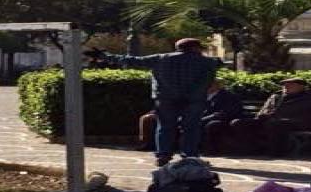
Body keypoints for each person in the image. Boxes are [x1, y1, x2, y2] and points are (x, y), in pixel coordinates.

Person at [89, 38, 220, 166]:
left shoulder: (161, 58)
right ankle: (190, 156)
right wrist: (194, 93)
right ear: (196, 48)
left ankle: (163, 156)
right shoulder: (207, 62)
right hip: (193, 99)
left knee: (165, 127)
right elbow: (206, 80)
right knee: (191, 128)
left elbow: (132, 61)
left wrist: (104, 56)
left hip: (165, 98)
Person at [229, 77, 311, 155]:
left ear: (301, 87)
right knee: (238, 123)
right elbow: (263, 110)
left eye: (290, 85)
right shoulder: (276, 96)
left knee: (276, 124)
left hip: (297, 122)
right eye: (284, 85)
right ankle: (248, 149)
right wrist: (262, 115)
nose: (286, 87)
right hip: (270, 120)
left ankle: (275, 152)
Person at [137, 79, 245, 153]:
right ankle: (153, 145)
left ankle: (191, 149)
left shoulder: (227, 96)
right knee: (159, 120)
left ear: (215, 86)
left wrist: (199, 118)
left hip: (219, 120)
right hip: (197, 117)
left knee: (197, 124)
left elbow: (224, 113)